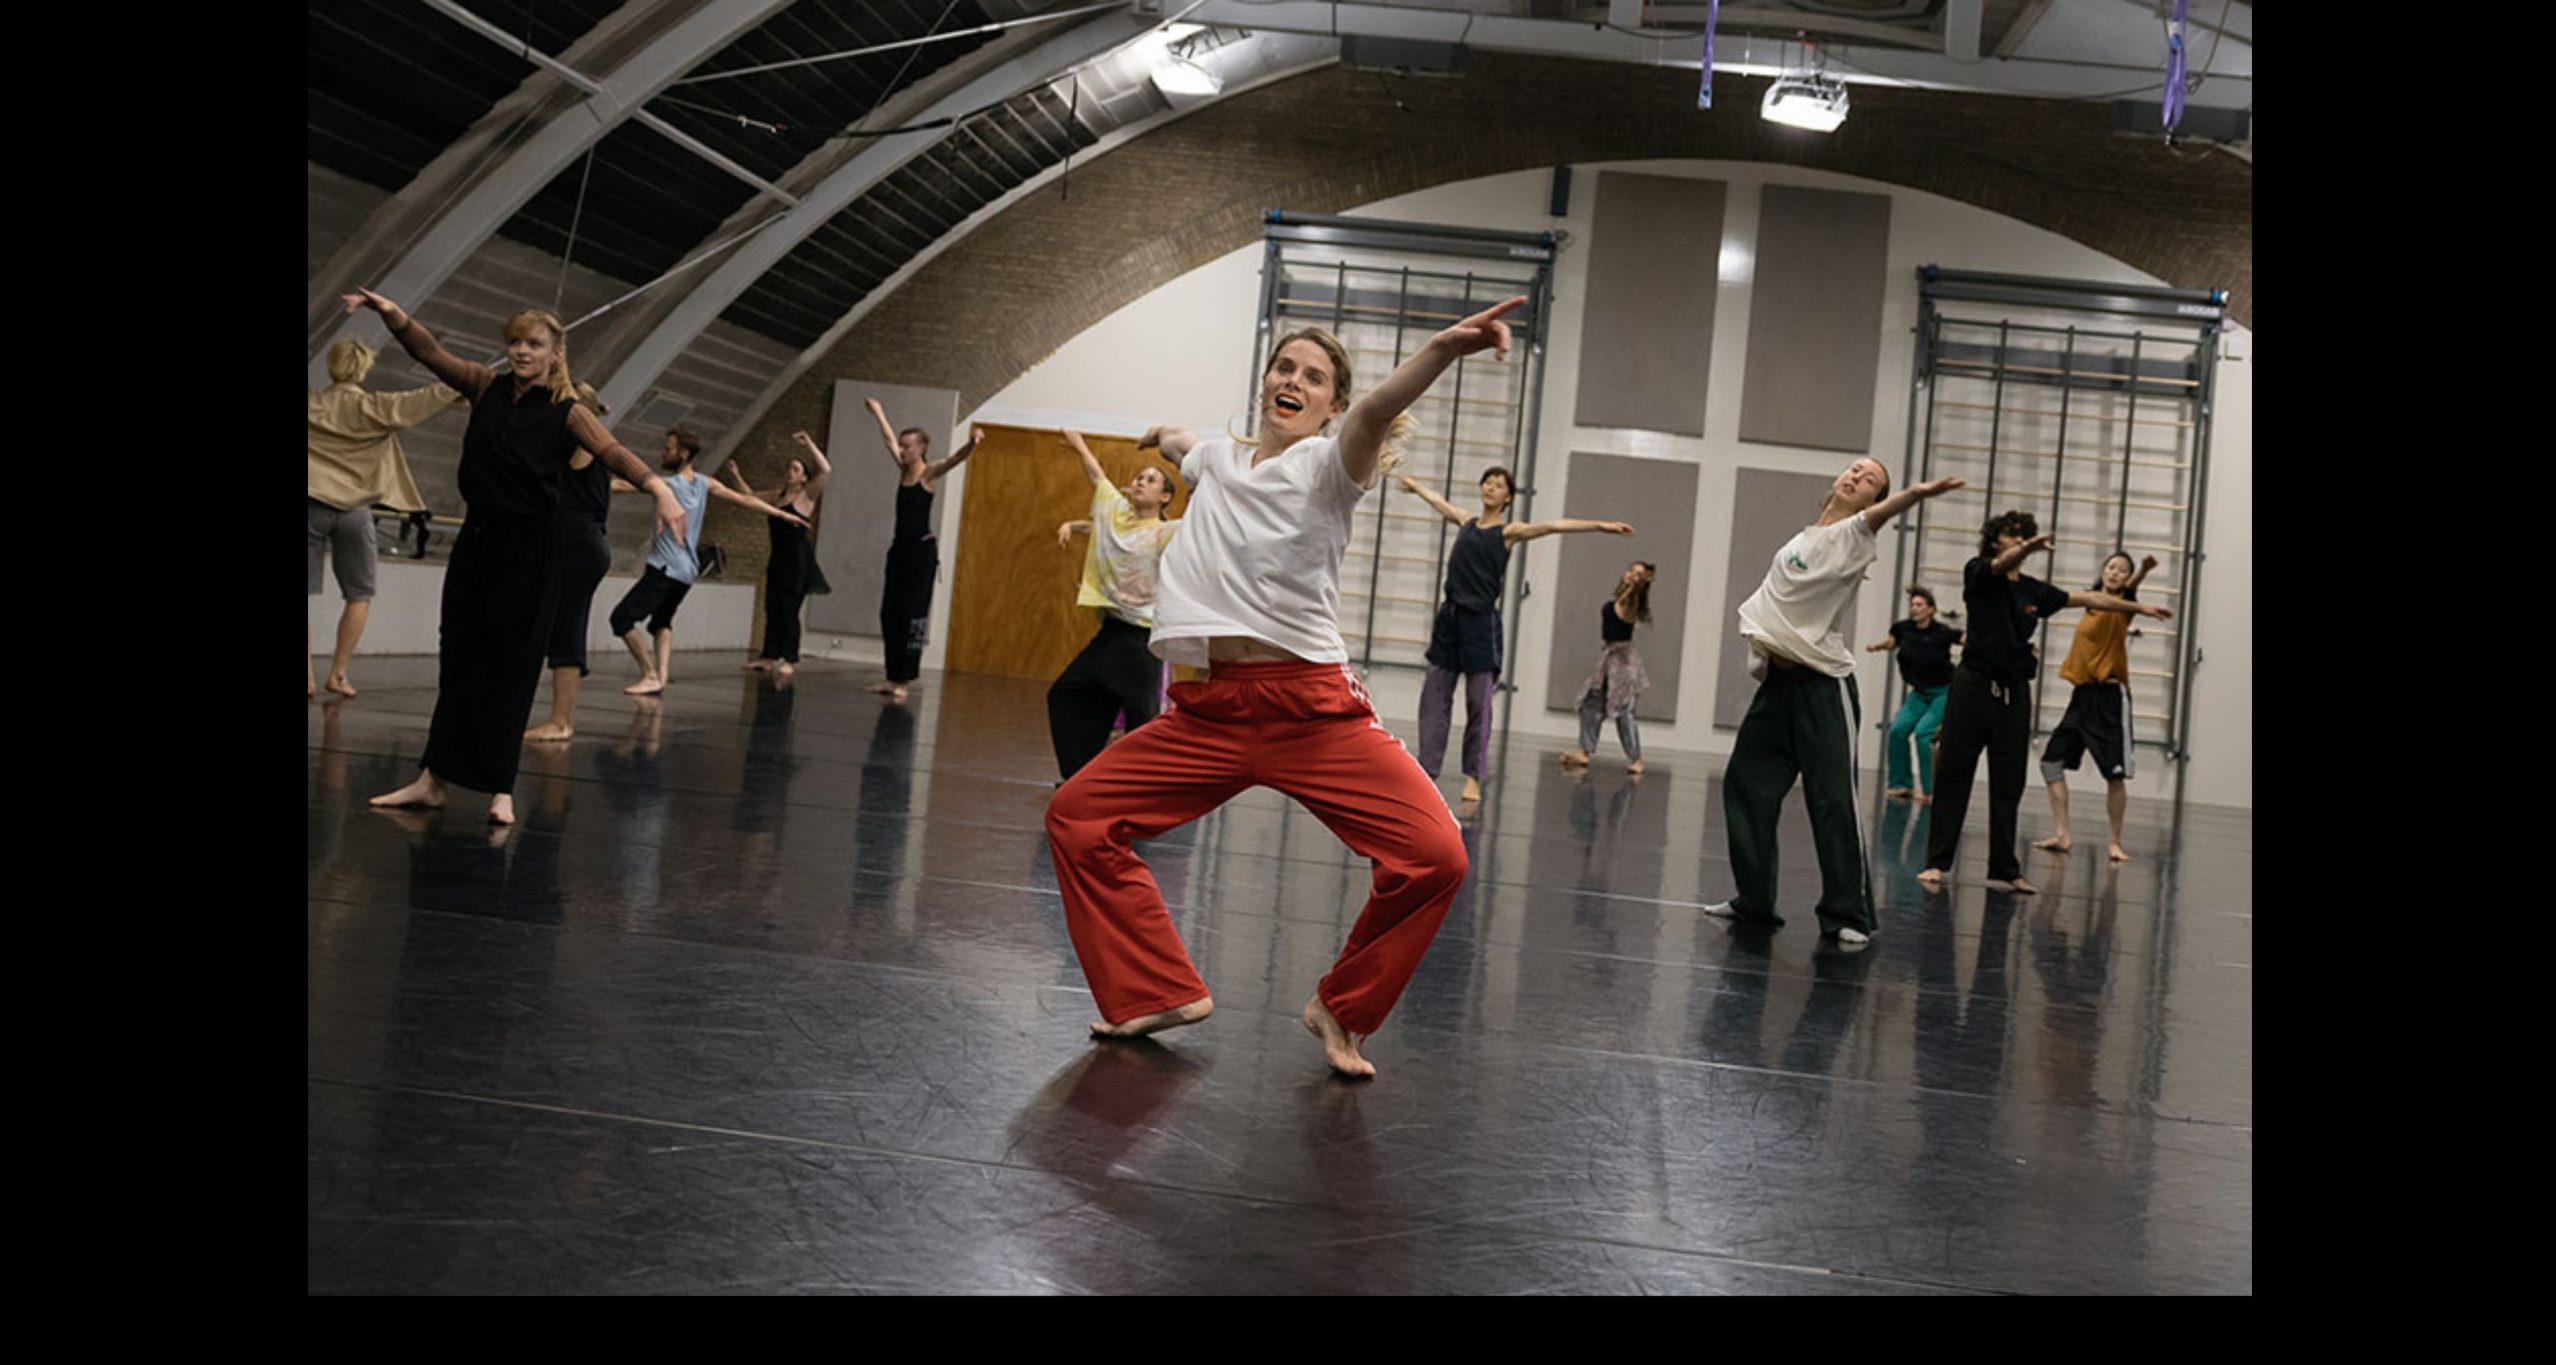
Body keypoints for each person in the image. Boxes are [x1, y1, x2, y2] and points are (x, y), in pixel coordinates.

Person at [1044, 299, 1529, 1079]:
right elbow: (1182, 444)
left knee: (1437, 855)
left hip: (1311, 708)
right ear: (1265, 381)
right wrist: (1160, 432)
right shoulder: (1215, 458)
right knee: (1077, 815)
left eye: (1314, 377)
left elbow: (1377, 411)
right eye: (1283, 367)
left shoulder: (1332, 466)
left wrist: (1442, 348)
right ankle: (1154, 989)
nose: (1293, 381)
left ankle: (1342, 1006)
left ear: (1332, 404)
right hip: (1212, 709)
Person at [339, 287, 685, 826]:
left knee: (514, 663)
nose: (522, 351)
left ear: (555, 353)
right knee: (458, 656)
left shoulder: (567, 412)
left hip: (532, 547)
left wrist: (658, 488)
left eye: (534, 344)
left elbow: (612, 451)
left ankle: (500, 787)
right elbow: (429, 352)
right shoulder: (485, 387)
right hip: (478, 539)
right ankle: (433, 779)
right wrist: (392, 315)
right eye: (515, 342)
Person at [1701, 460, 1967, 944]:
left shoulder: (1854, 534)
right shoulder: (1802, 539)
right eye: (1855, 469)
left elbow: (1878, 517)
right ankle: (1753, 901)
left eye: (1869, 480)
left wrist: (1915, 494)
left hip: (1823, 687)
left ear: (1872, 499)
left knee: (1833, 799)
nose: (1856, 476)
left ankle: (1848, 913)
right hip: (1778, 686)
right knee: (1745, 783)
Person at [1918, 514, 2171, 893]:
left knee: (2010, 780)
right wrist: (2025, 548)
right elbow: (2000, 564)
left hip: (2014, 690)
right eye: (2012, 535)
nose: (2019, 540)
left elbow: (2088, 597)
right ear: (1995, 540)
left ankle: (2005, 869)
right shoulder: (1979, 572)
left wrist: (2139, 608)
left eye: (2025, 535)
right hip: (1972, 686)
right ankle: (1937, 863)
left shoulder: (2033, 591)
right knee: (1954, 773)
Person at [1398, 468, 1634, 803]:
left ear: (1508, 497)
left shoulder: (1508, 533)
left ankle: (1473, 777)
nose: (1491, 488)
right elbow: (1439, 502)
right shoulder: (1465, 521)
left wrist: (1601, 526)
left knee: (1479, 704)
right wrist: (1415, 486)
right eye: (1488, 482)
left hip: (1480, 626)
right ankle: (1428, 770)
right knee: (1434, 699)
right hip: (1449, 622)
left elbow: (1554, 526)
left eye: (1499, 485)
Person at [307, 337, 464, 698]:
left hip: (311, 505)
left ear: (331, 365)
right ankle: (339, 674)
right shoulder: (377, 407)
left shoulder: (313, 404)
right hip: (356, 512)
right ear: (364, 369)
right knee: (359, 594)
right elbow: (430, 397)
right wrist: (464, 382)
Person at [605, 428, 808, 697]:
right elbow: (744, 500)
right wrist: (781, 515)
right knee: (661, 621)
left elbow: (622, 485)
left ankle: (650, 674)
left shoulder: (666, 484)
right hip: (687, 573)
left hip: (665, 569)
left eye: (668, 449)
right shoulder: (705, 483)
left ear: (683, 454)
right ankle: (661, 676)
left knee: (621, 618)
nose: (663, 453)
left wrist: (577, 483)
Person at [1048, 428, 1180, 780]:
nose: (1140, 482)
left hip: (1140, 641)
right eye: (1139, 477)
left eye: (1151, 480)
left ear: (1165, 497)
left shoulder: (1167, 533)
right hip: (1110, 634)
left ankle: (1135, 788)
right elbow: (1097, 476)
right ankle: (1080, 777)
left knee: (1142, 723)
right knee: (1067, 694)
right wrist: (1078, 444)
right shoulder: (1116, 516)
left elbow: (1204, 520)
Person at [2034, 552, 2160, 863]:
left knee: (2113, 776)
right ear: (2102, 571)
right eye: (2111, 567)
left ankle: (2115, 842)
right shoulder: (2090, 603)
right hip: (2082, 696)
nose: (2115, 573)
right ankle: (2062, 834)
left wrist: (2142, 571)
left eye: (2122, 570)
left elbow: (2128, 594)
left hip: (2109, 698)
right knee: (2051, 763)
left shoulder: (2122, 607)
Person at [863, 399, 980, 703]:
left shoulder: (928, 473)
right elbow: (887, 440)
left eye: (908, 446)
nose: (902, 450)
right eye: (902, 446)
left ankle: (903, 679)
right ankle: (891, 676)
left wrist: (972, 443)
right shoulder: (902, 470)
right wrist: (879, 413)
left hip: (921, 553)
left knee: (912, 614)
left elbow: (955, 459)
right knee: (890, 613)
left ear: (922, 447)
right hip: (899, 551)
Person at [523, 383, 617, 742]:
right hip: (578, 546)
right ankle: (558, 718)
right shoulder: (597, 449)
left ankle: (561, 721)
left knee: (566, 627)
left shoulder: (583, 446)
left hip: (578, 547)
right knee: (559, 625)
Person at [730, 429, 834, 680]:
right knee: (772, 608)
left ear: (804, 477)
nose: (790, 472)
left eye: (796, 469)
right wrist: (735, 474)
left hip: (797, 562)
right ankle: (768, 656)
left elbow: (826, 470)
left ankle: (790, 658)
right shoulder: (777, 496)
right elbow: (750, 497)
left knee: (788, 611)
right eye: (789, 468)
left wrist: (809, 443)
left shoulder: (807, 496)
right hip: (777, 559)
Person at [1558, 561, 1658, 773]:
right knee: (1591, 704)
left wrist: (1640, 584)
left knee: (1625, 712)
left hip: (1624, 664)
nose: (1631, 575)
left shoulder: (1631, 601)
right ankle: (1584, 751)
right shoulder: (1618, 598)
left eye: (1637, 574)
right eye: (1631, 570)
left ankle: (1636, 759)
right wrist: (1636, 581)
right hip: (1608, 660)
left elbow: (1630, 598)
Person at [1866, 585, 1963, 802]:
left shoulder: (1941, 632)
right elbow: (1892, 642)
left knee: (1923, 735)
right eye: (1912, 605)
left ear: (1931, 609)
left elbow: (1966, 639)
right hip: (1919, 693)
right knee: (1897, 731)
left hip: (1943, 692)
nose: (1914, 609)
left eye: (1919, 605)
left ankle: (1930, 791)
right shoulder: (1902, 629)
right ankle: (1901, 784)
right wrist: (1878, 646)